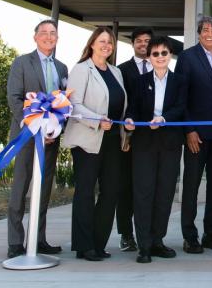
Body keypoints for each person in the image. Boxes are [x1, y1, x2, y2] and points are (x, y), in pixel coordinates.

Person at [62, 27, 128, 261]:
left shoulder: (116, 72)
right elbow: (74, 106)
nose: (106, 45)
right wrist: (98, 121)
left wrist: (125, 125)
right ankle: (84, 245)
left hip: (112, 141)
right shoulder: (81, 70)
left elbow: (119, 105)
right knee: (85, 192)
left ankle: (98, 243)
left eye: (110, 42)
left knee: (111, 192)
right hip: (87, 140)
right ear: (92, 44)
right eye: (102, 41)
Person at [5, 19, 68, 258]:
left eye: (53, 33)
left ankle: (38, 239)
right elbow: (14, 98)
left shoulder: (62, 68)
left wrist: (53, 129)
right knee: (20, 188)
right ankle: (15, 242)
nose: (49, 37)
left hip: (50, 140)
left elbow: (62, 104)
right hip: (27, 136)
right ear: (35, 37)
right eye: (44, 33)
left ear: (57, 38)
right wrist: (35, 126)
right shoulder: (22, 63)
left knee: (43, 191)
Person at [123, 36, 187, 264]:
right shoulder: (139, 82)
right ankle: (144, 246)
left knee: (165, 193)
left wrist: (164, 118)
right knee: (143, 193)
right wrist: (130, 119)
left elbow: (181, 108)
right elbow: (132, 108)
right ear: (149, 57)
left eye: (164, 53)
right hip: (144, 145)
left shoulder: (180, 81)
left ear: (170, 56)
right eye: (155, 53)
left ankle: (158, 241)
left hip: (170, 145)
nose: (160, 57)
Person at [176, 16, 212, 254]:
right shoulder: (187, 57)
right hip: (196, 135)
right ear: (199, 33)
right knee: (191, 186)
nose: (209, 33)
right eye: (205, 30)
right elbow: (181, 98)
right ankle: (190, 236)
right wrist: (189, 129)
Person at [114, 27, 153, 253]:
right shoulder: (122, 70)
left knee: (146, 189)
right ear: (133, 44)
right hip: (127, 138)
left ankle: (148, 234)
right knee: (126, 188)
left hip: (152, 137)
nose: (143, 44)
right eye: (139, 41)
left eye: (147, 40)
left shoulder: (161, 68)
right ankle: (126, 235)